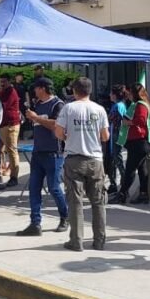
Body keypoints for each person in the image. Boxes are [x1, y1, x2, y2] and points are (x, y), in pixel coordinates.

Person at [55, 77, 109, 252]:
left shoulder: (68, 108)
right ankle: (99, 241)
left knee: (75, 201)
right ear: (90, 90)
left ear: (74, 91)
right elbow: (105, 136)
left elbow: (58, 132)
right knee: (98, 201)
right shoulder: (99, 109)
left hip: (74, 159)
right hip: (95, 160)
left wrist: (68, 138)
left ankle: (76, 241)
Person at [17, 78, 69, 236]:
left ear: (43, 89)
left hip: (53, 153)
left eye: (36, 88)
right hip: (38, 152)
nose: (34, 91)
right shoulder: (38, 104)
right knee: (34, 188)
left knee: (54, 187)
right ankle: (35, 223)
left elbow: (55, 125)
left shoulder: (58, 104)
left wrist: (36, 118)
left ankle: (64, 217)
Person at [110, 83, 150, 205]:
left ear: (135, 93)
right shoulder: (142, 104)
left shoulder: (140, 105)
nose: (128, 96)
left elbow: (140, 120)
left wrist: (128, 122)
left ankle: (122, 194)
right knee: (142, 169)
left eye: (129, 93)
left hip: (139, 142)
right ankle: (144, 194)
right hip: (141, 142)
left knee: (130, 169)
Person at [0, 74, 22, 187]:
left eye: (4, 81)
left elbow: (3, 105)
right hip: (1, 124)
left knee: (11, 150)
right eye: (0, 81)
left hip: (11, 124)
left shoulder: (11, 92)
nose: (2, 83)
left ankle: (14, 177)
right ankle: (0, 171)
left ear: (9, 82)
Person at [104, 85, 128, 194]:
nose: (109, 95)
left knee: (116, 160)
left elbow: (112, 120)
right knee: (115, 160)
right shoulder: (121, 105)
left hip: (115, 135)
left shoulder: (117, 106)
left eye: (111, 93)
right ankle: (116, 184)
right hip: (117, 134)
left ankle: (123, 184)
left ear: (114, 95)